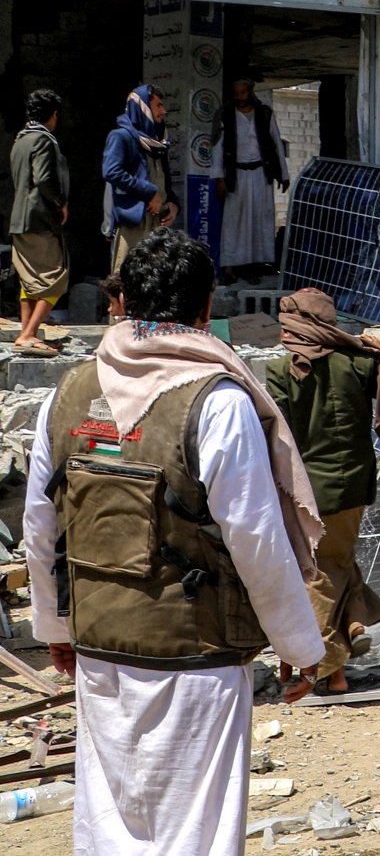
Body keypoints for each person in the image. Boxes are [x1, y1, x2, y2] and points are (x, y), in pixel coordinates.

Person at [23, 231, 325, 855]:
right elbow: (256, 538)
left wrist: (56, 629)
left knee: (110, 819)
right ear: (205, 308)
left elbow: (40, 523)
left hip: (100, 643)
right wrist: (297, 641)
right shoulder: (216, 401)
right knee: (198, 829)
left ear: (123, 301)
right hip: (198, 653)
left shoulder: (69, 393)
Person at [266, 289, 380, 693]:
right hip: (353, 483)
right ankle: (343, 656)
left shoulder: (282, 371)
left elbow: (274, 431)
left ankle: (323, 662)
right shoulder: (359, 360)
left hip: (306, 488)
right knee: (338, 560)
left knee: (317, 572)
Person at [9, 89, 69, 356]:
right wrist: (59, 203)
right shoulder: (44, 141)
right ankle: (29, 333)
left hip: (18, 219)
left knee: (29, 280)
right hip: (40, 219)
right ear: (53, 115)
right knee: (56, 277)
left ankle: (26, 333)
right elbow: (44, 179)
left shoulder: (20, 141)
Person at [213, 78, 290, 281]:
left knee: (259, 219)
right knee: (234, 221)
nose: (239, 97)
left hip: (260, 174)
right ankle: (230, 266)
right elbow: (218, 149)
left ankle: (255, 265)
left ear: (250, 92)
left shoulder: (264, 114)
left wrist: (283, 174)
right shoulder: (226, 115)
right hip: (236, 175)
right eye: (236, 93)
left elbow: (276, 144)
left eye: (243, 93)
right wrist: (219, 178)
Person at [102, 84, 178, 269]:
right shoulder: (121, 136)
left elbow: (164, 180)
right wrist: (149, 193)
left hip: (158, 221)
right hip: (133, 222)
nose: (163, 111)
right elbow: (111, 171)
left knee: (156, 280)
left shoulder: (158, 142)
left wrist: (174, 204)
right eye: (158, 105)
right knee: (125, 280)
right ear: (142, 107)